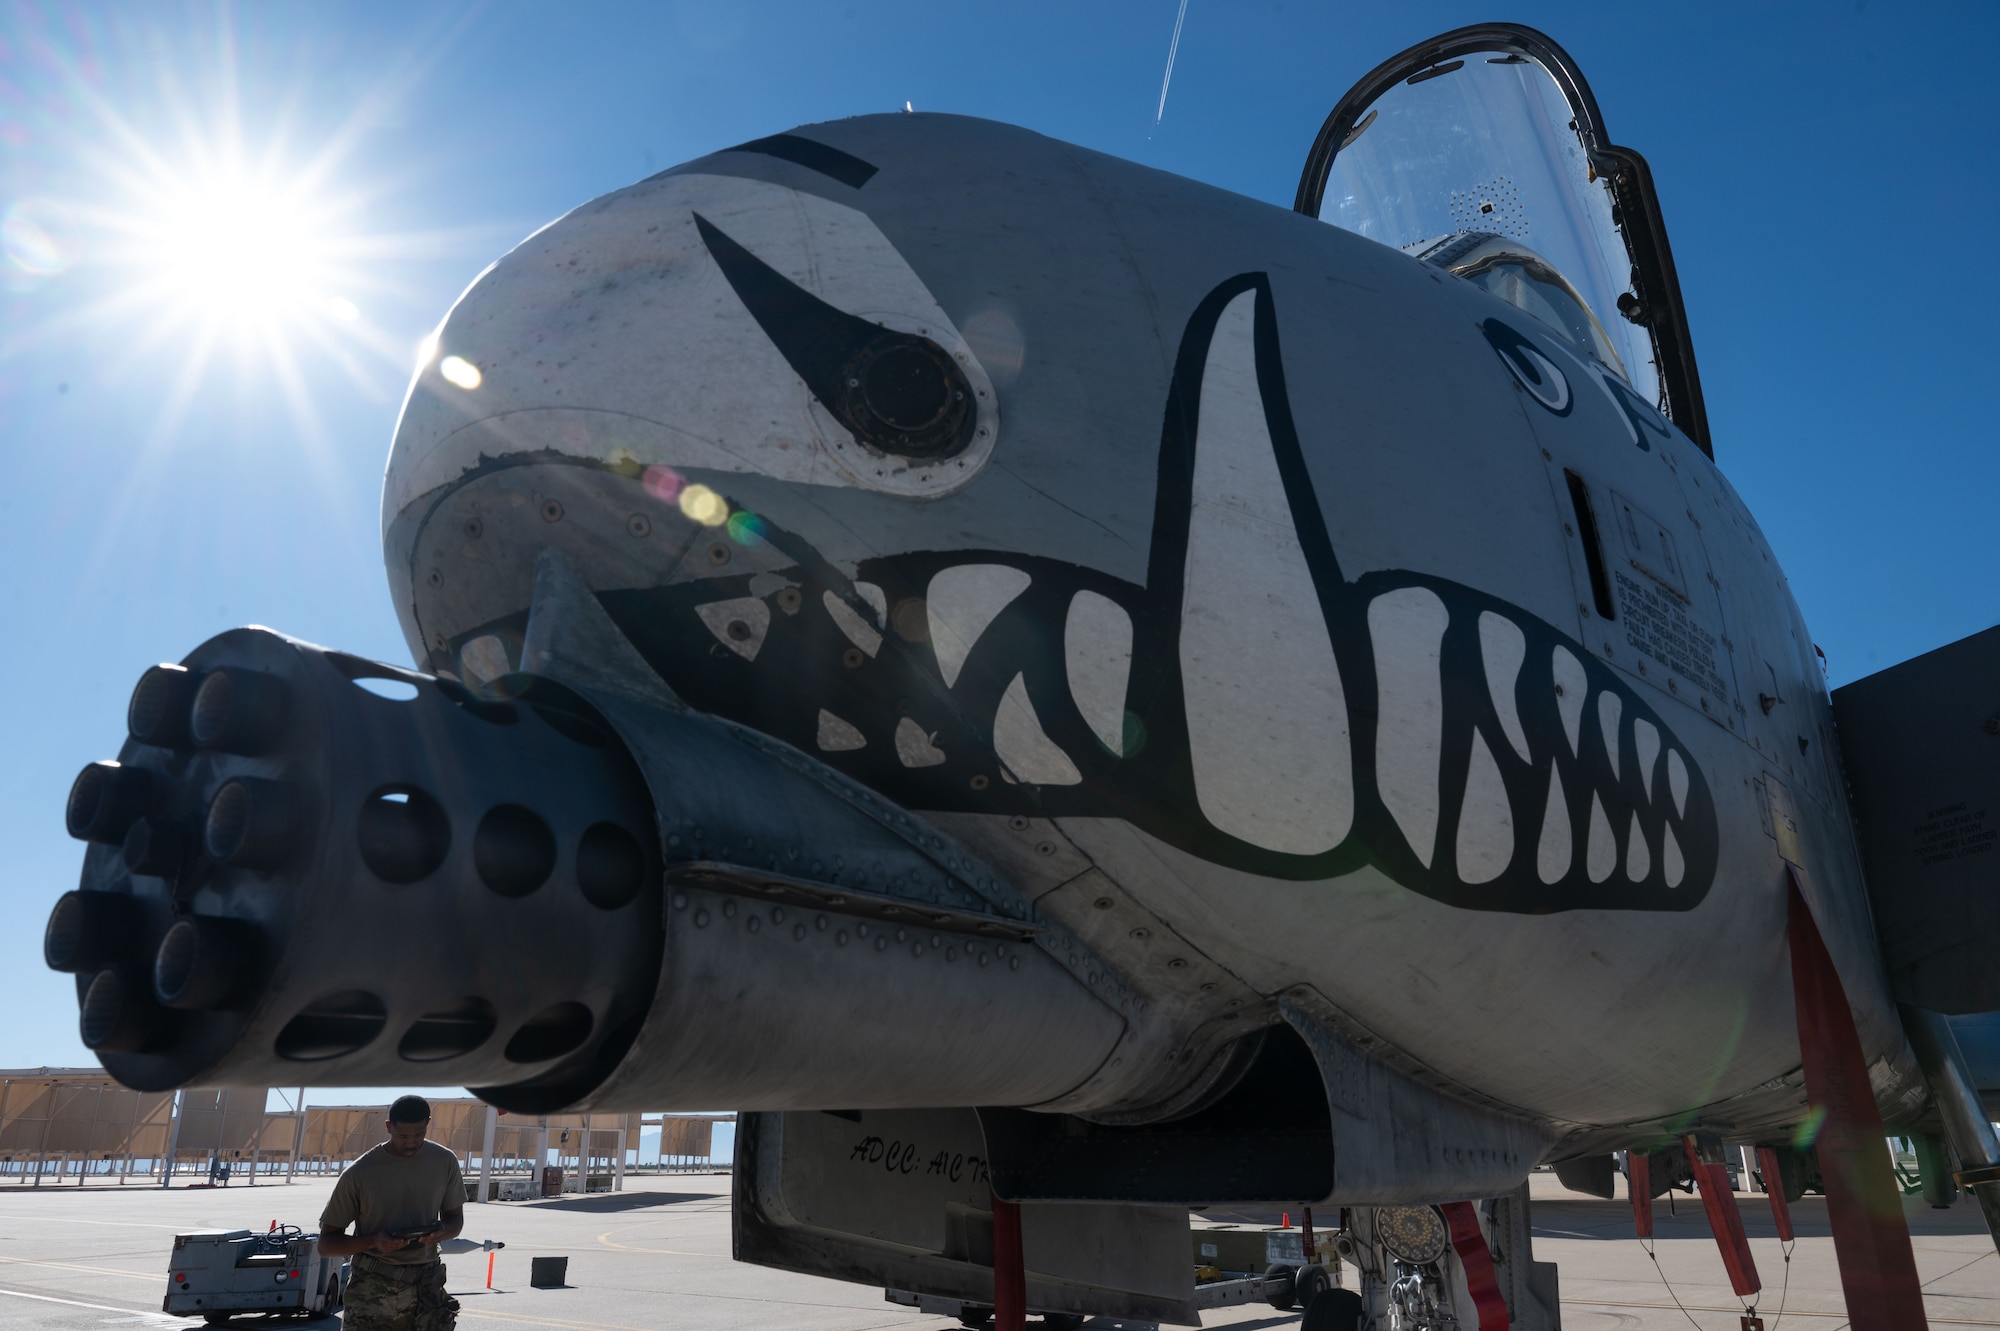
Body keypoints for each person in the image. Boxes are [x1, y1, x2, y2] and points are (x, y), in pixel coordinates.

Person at [319, 1095, 467, 1331]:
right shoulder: (360, 1173)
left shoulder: (444, 1161)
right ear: (389, 1127)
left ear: (428, 1124)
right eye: (402, 1136)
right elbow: (326, 1244)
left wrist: (442, 1231)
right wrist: (373, 1241)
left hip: (427, 1290)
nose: (411, 1143)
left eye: (418, 1135)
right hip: (373, 1291)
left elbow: (455, 1220)